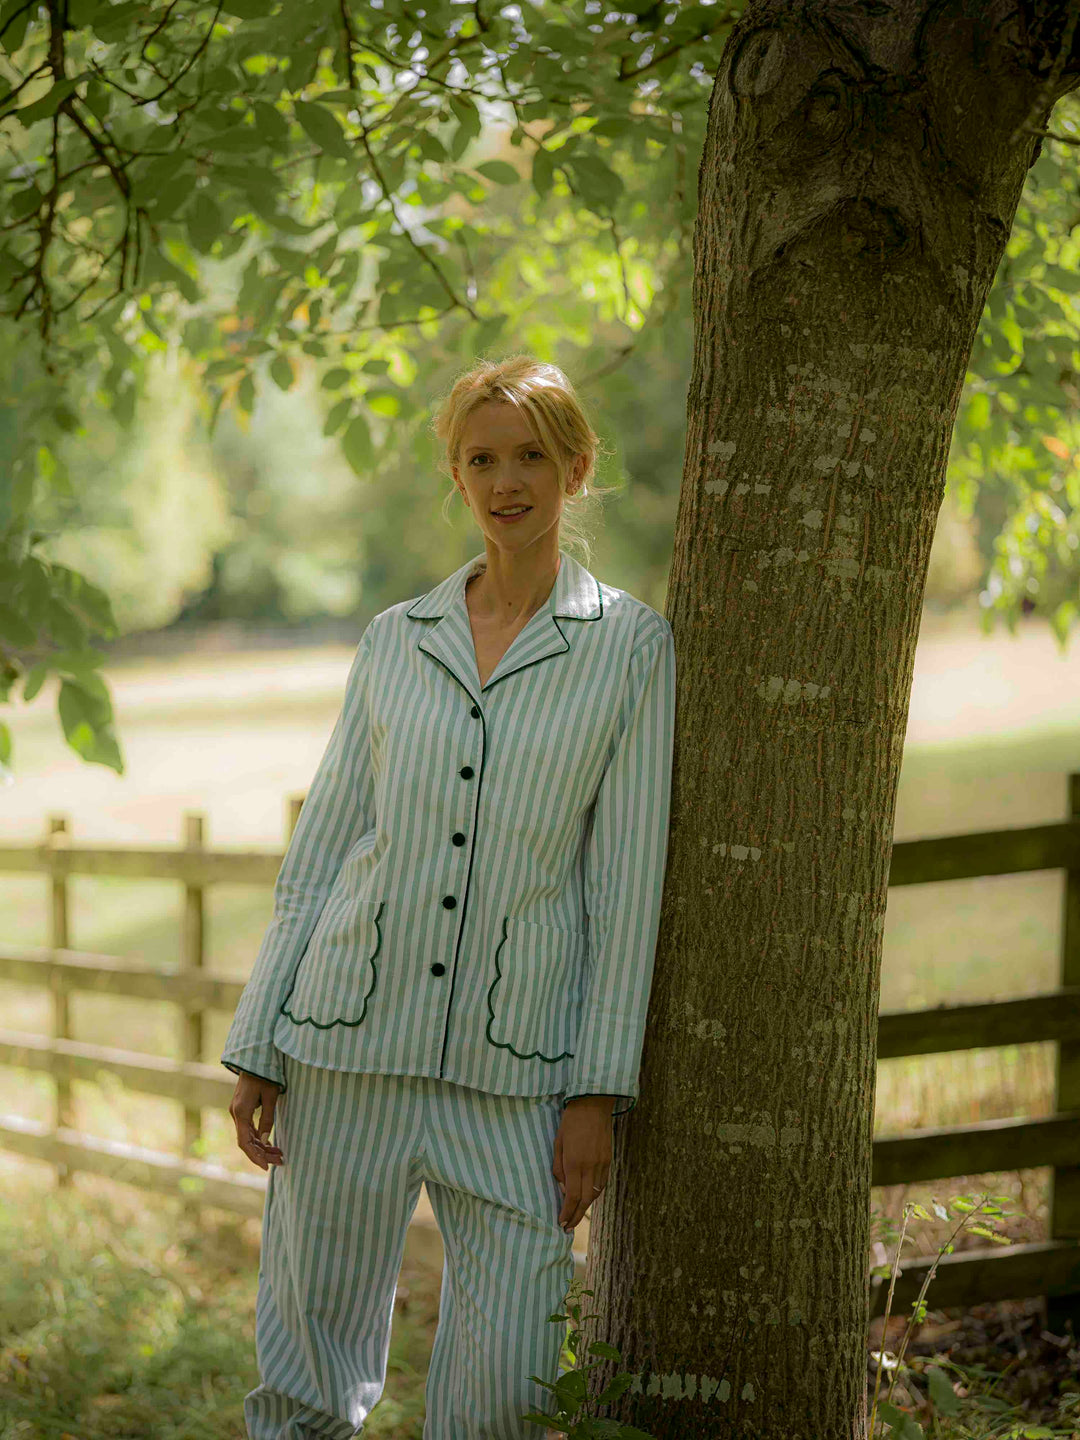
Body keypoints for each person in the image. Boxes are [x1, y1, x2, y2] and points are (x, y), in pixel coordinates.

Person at [221, 353, 677, 1439]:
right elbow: (322, 855)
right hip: (342, 1051)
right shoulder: (395, 641)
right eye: (482, 459)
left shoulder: (629, 650)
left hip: (516, 1078)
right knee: (300, 1388)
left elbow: (626, 889)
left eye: (530, 456)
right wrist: (258, 1041)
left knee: (507, 1400)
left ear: (577, 469)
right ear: (457, 475)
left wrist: (596, 1094)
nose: (506, 479)